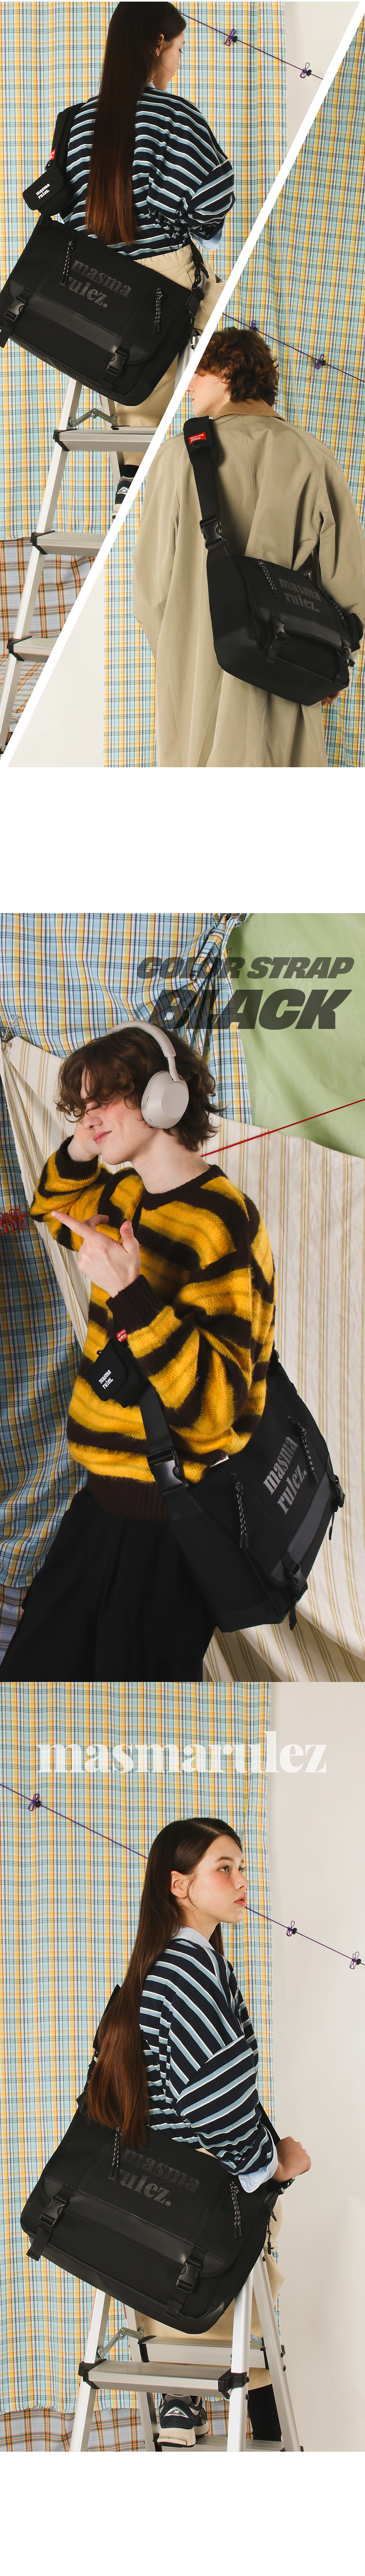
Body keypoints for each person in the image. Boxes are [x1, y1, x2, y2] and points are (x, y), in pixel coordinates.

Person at [0, 1021, 276, 1683]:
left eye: (104, 1100)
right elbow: (52, 1206)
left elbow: (213, 1408)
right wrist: (83, 1140)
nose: (89, 1118)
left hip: (170, 1522)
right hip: (99, 1502)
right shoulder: (126, 1196)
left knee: (138, 1711)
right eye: (80, 1106)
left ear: (163, 1096)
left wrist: (129, 1292)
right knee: (33, 1683)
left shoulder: (221, 1222)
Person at [86, 1814, 311, 2437]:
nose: (242, 1881)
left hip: (156, 2196)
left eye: (242, 1866)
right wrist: (274, 2163)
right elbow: (212, 2103)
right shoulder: (189, 1971)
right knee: (251, 2346)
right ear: (179, 1883)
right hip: (201, 2203)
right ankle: (217, 2405)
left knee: (242, 2336)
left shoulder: (160, 1967)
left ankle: (186, 2398)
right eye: (224, 1867)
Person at [132, 323, 365, 767]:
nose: (190, 385)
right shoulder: (314, 457)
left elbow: (152, 590)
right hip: (288, 671)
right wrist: (334, 665)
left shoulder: (178, 456)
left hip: (196, 676)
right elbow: (349, 582)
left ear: (227, 372)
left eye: (199, 373)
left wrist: (181, 652)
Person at [62, 3, 234, 482]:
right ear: (158, 44)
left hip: (93, 292)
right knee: (222, 315)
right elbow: (212, 203)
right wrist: (190, 223)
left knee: (136, 399)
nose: (178, 62)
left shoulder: (76, 123)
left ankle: (134, 482)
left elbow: (68, 211)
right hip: (161, 283)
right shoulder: (173, 115)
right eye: (179, 49)